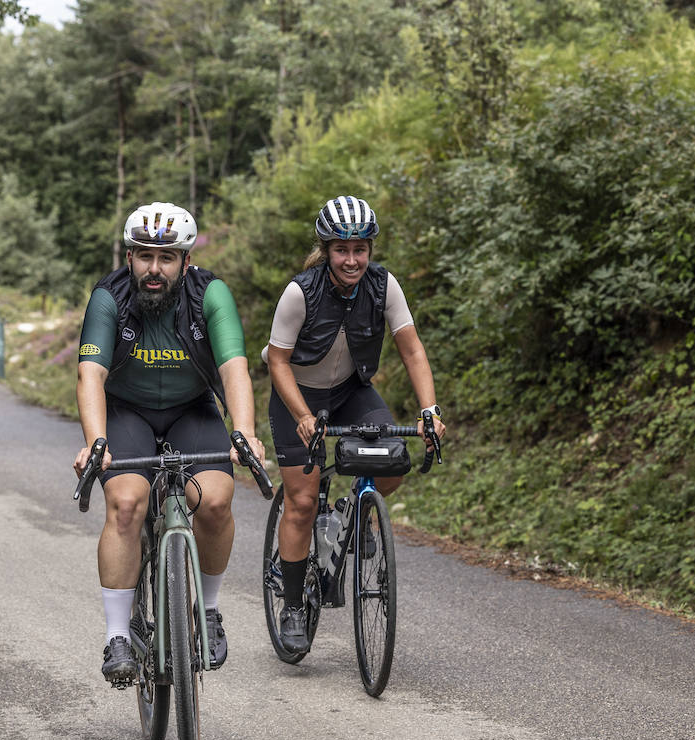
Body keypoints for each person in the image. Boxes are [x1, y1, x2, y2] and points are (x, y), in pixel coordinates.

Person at [73, 202, 265, 684]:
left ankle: (211, 609)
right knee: (125, 503)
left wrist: (244, 432)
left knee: (217, 501)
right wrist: (96, 441)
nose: (154, 269)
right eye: (143, 256)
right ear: (129, 256)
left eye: (166, 258)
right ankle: (118, 635)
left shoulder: (210, 295)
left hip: (191, 409)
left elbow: (234, 368)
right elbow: (90, 373)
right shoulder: (109, 296)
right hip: (126, 412)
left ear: (185, 261)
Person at [265, 195, 446, 654]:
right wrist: (303, 416)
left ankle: (356, 512)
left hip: (351, 391)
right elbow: (278, 362)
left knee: (392, 462)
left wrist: (429, 411)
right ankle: (291, 606)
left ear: (369, 249)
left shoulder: (385, 286)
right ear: (326, 250)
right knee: (302, 502)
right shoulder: (299, 292)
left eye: (360, 249)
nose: (351, 260)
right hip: (298, 395)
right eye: (342, 250)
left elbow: (412, 350)